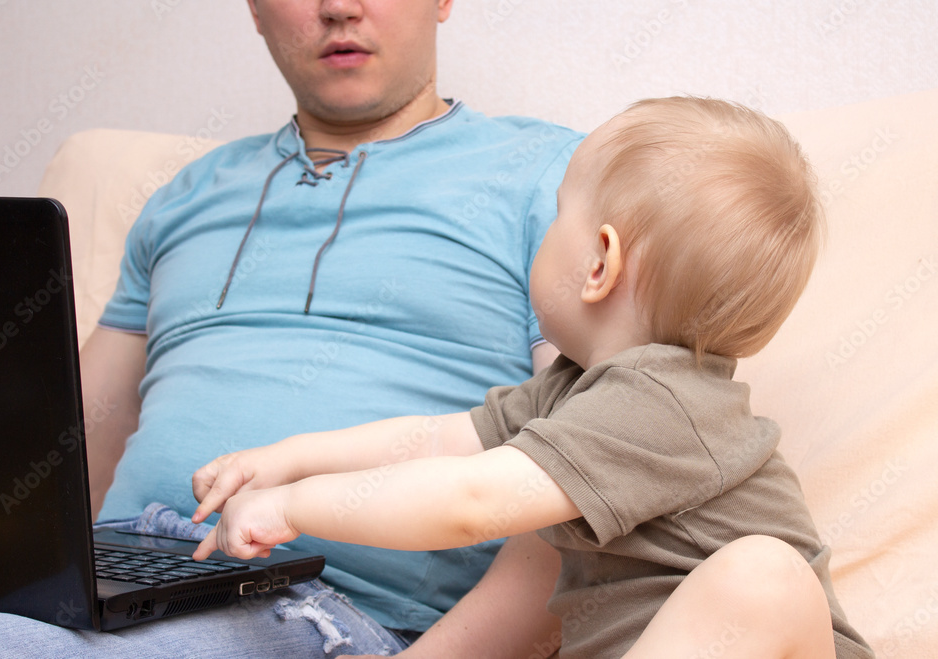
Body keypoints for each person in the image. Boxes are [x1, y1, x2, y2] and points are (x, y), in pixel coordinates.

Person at [0, 0, 584, 656]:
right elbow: (63, 459)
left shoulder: (554, 177)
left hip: (323, 605)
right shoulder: (185, 195)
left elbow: (582, 469)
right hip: (115, 576)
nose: (338, 7)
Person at [190, 97, 875, 658]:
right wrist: (286, 458)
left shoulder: (665, 404)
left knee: (762, 576)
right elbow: (435, 440)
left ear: (598, 264)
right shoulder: (578, 389)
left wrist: (293, 506)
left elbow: (468, 499)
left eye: (556, 215)